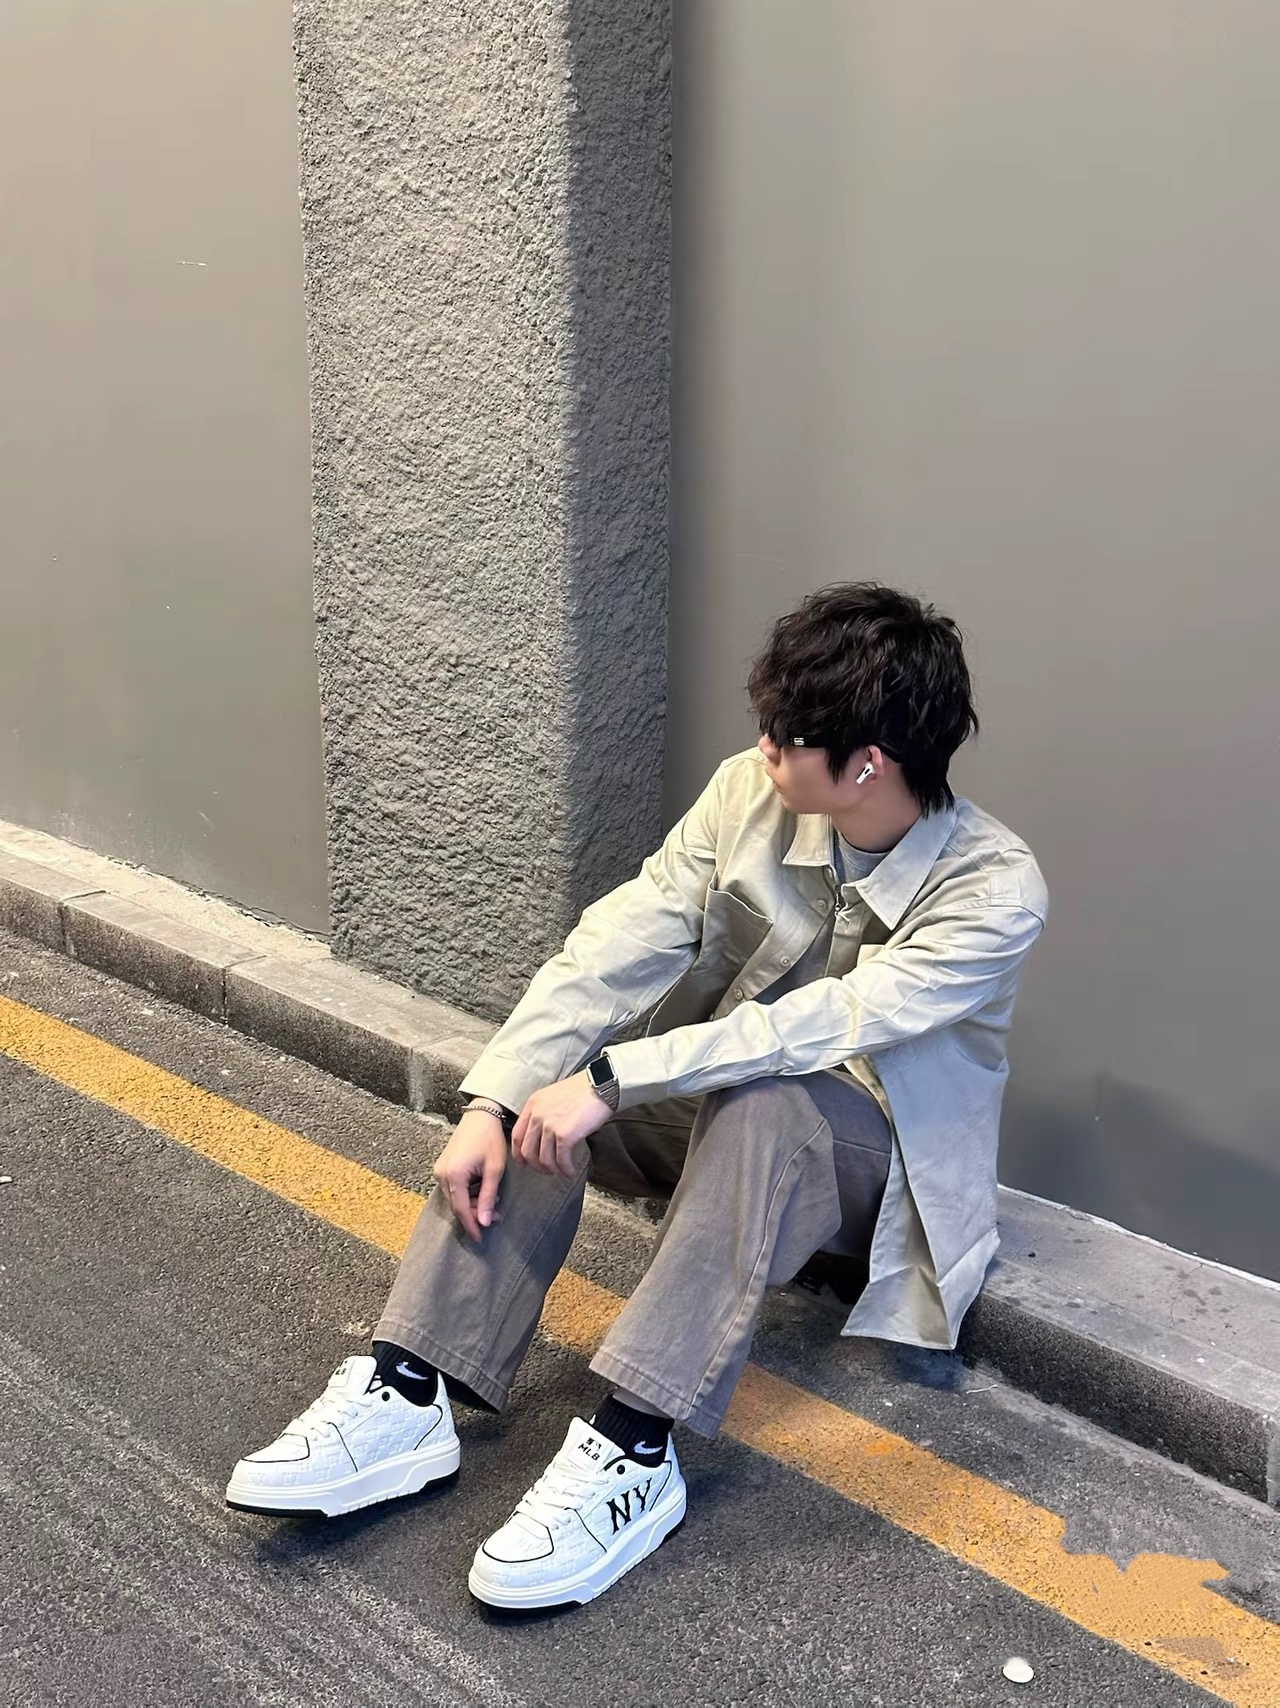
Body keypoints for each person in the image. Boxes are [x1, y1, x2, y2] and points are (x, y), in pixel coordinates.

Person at [226, 582, 1047, 1611]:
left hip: (866, 1172)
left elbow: (817, 1027)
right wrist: (494, 1103)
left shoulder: (993, 890)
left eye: (785, 736)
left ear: (867, 765)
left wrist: (615, 1078)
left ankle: (633, 1451)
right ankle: (407, 1387)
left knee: (763, 1101)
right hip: (716, 1116)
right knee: (544, 1098)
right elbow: (616, 944)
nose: (761, 746)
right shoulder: (746, 796)